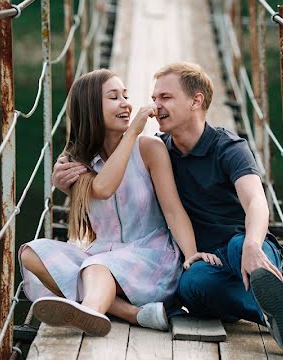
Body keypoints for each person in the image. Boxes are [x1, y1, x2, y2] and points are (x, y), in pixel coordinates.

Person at [56, 62, 283, 356]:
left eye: (165, 98)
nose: (155, 106)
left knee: (237, 248)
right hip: (203, 261)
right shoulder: (159, 150)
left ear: (196, 100)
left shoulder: (229, 147)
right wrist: (70, 181)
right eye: (154, 98)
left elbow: (256, 202)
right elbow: (117, 184)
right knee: (192, 285)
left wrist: (252, 243)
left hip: (244, 245)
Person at [21, 69, 219, 337]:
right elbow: (101, 191)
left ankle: (90, 308)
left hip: (150, 256)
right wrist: (65, 188)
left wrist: (192, 254)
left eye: (125, 95)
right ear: (90, 108)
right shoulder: (78, 160)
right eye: (114, 97)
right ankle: (130, 314)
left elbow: (171, 210)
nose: (126, 103)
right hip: (100, 254)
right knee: (30, 253)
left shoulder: (149, 149)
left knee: (95, 268)